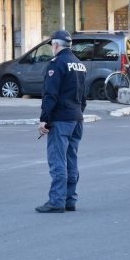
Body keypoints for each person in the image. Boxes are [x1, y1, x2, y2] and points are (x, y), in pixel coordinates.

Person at [35, 30, 87, 213]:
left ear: (55, 45)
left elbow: (50, 94)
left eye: (52, 46)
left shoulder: (56, 64)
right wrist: (78, 113)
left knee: (57, 161)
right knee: (71, 160)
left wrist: (44, 120)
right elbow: (83, 96)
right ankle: (70, 199)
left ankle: (56, 201)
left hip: (61, 119)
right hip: (76, 118)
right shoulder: (79, 64)